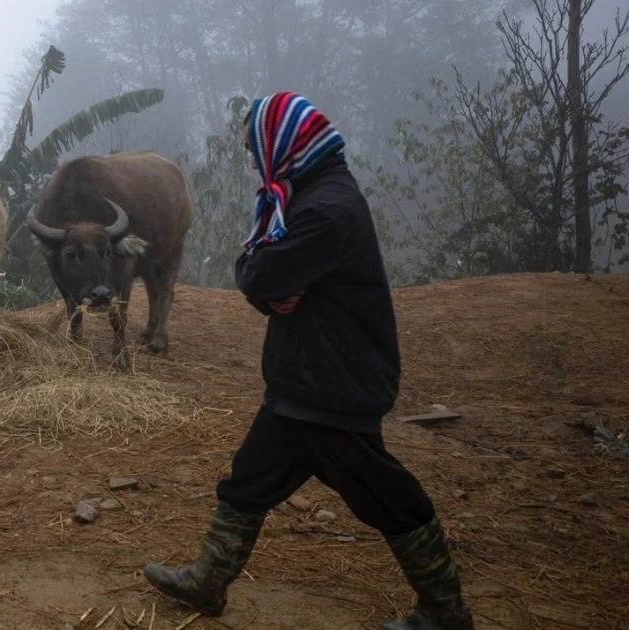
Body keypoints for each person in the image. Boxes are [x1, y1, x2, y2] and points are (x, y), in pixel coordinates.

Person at [143, 92, 474, 630]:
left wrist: (265, 279)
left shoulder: (324, 211)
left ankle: (444, 610)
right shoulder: (310, 196)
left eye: (257, 147)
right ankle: (209, 581)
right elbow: (264, 274)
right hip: (307, 380)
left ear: (283, 144)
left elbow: (259, 273)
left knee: (387, 497)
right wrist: (267, 281)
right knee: (250, 479)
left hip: (331, 388)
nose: (254, 160)